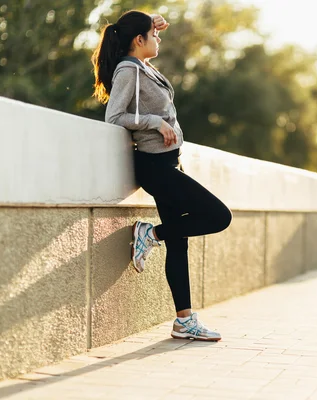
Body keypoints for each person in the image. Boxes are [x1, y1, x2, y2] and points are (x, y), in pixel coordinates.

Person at [91, 10, 232, 341]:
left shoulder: (141, 65)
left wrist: (149, 21)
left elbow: (141, 43)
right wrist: (154, 122)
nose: (159, 39)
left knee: (179, 243)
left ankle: (184, 321)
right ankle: (150, 234)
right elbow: (115, 117)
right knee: (218, 216)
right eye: (153, 36)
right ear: (138, 41)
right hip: (155, 167)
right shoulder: (128, 70)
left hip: (169, 164)